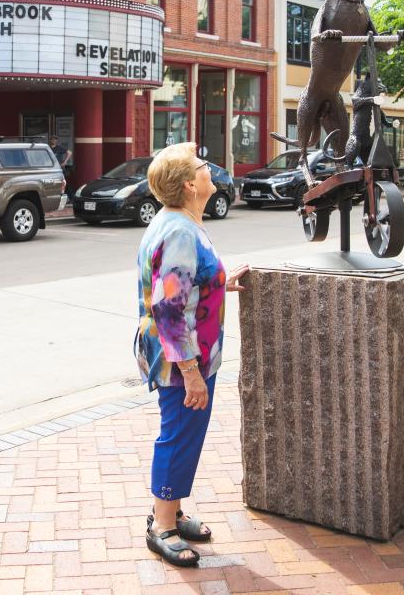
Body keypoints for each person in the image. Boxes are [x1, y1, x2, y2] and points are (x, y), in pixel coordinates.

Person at [135, 142, 248, 567]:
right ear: (189, 184)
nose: (208, 169)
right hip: (183, 360)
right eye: (202, 166)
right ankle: (161, 526)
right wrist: (191, 372)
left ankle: (174, 509)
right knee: (179, 434)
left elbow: (186, 285)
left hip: (189, 354)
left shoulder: (180, 220)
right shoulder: (180, 231)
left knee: (186, 433)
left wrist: (221, 283)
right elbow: (168, 307)